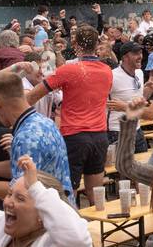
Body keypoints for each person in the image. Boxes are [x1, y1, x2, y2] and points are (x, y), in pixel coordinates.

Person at [23, 24, 112, 207]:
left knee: (67, 192)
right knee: (95, 195)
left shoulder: (67, 70)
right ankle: (95, 234)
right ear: (96, 45)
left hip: (74, 136)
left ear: (75, 45)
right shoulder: (107, 71)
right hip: (100, 135)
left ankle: (70, 233)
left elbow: (31, 97)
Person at [0, 70, 73, 201]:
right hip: (63, 211)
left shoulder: (26, 137)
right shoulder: (46, 122)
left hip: (46, 217)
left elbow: (22, 194)